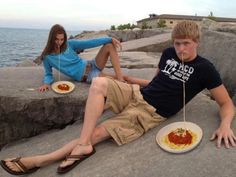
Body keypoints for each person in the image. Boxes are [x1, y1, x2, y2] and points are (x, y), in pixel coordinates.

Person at [1, 21, 235, 175]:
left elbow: (226, 103)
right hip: (136, 94)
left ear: (197, 42)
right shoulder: (167, 53)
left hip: (149, 112)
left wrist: (225, 124)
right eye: (177, 43)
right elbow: (158, 80)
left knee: (99, 133)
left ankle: (41, 160)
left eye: (186, 44)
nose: (181, 49)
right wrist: (133, 81)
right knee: (100, 81)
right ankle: (83, 145)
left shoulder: (205, 69)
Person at [38, 24, 124, 92]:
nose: (59, 42)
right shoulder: (47, 57)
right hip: (88, 75)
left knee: (109, 45)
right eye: (56, 39)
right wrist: (46, 83)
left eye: (62, 39)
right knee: (119, 79)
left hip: (91, 64)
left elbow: (89, 43)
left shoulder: (69, 44)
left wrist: (109, 39)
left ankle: (121, 80)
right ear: (51, 39)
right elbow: (48, 74)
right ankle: (125, 82)